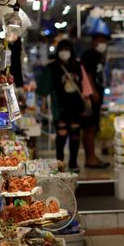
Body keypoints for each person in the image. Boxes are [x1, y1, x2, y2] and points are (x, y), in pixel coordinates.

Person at [37, 39, 95, 171]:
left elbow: (84, 84)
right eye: (62, 50)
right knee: (61, 134)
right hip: (60, 106)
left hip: (76, 106)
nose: (65, 52)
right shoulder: (52, 67)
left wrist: (88, 100)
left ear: (71, 51)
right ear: (58, 52)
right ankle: (60, 162)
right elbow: (46, 86)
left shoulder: (78, 66)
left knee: (75, 134)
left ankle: (73, 163)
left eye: (67, 49)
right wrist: (44, 104)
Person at [80, 33, 110, 168]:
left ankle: (91, 156)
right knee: (89, 128)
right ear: (94, 41)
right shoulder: (89, 55)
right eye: (101, 40)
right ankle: (90, 158)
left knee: (92, 128)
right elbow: (87, 74)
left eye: (105, 41)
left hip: (97, 97)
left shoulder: (100, 56)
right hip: (91, 98)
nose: (103, 43)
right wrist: (93, 91)